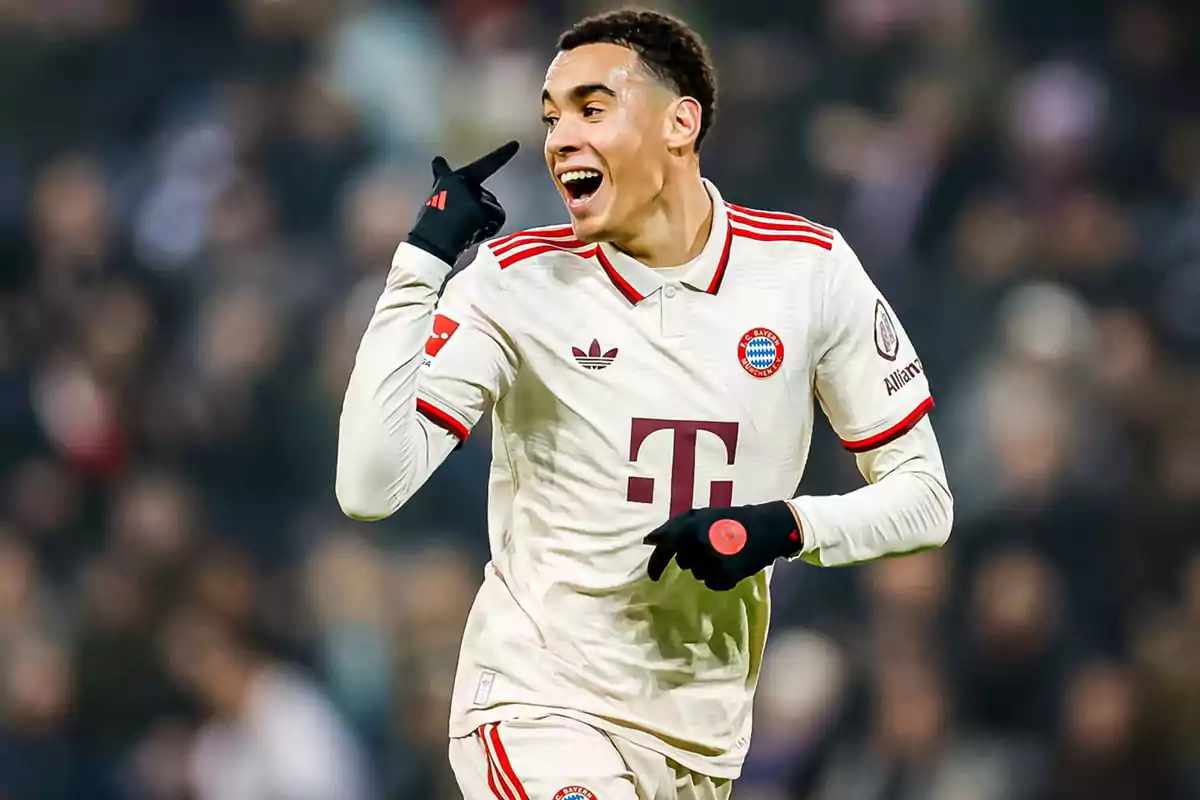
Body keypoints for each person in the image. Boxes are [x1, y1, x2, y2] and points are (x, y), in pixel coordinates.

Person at [336, 8, 953, 799]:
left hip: (701, 740)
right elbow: (367, 485)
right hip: (540, 708)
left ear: (679, 122)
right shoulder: (514, 281)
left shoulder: (809, 272)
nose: (560, 139)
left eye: (593, 109)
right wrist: (421, 264)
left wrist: (785, 527)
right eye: (552, 118)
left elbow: (925, 502)